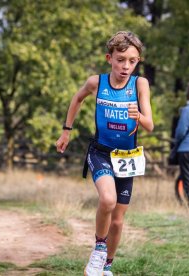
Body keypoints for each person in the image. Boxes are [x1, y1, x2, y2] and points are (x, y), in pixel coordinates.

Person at [55, 31, 153, 276]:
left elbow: (150, 125)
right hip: (101, 152)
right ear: (109, 58)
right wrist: (66, 131)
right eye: (121, 60)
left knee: (118, 220)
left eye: (132, 61)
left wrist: (138, 116)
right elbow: (77, 99)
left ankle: (106, 266)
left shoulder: (140, 84)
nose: (126, 66)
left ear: (138, 61)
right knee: (107, 200)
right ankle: (99, 249)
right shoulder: (96, 83)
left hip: (127, 158)